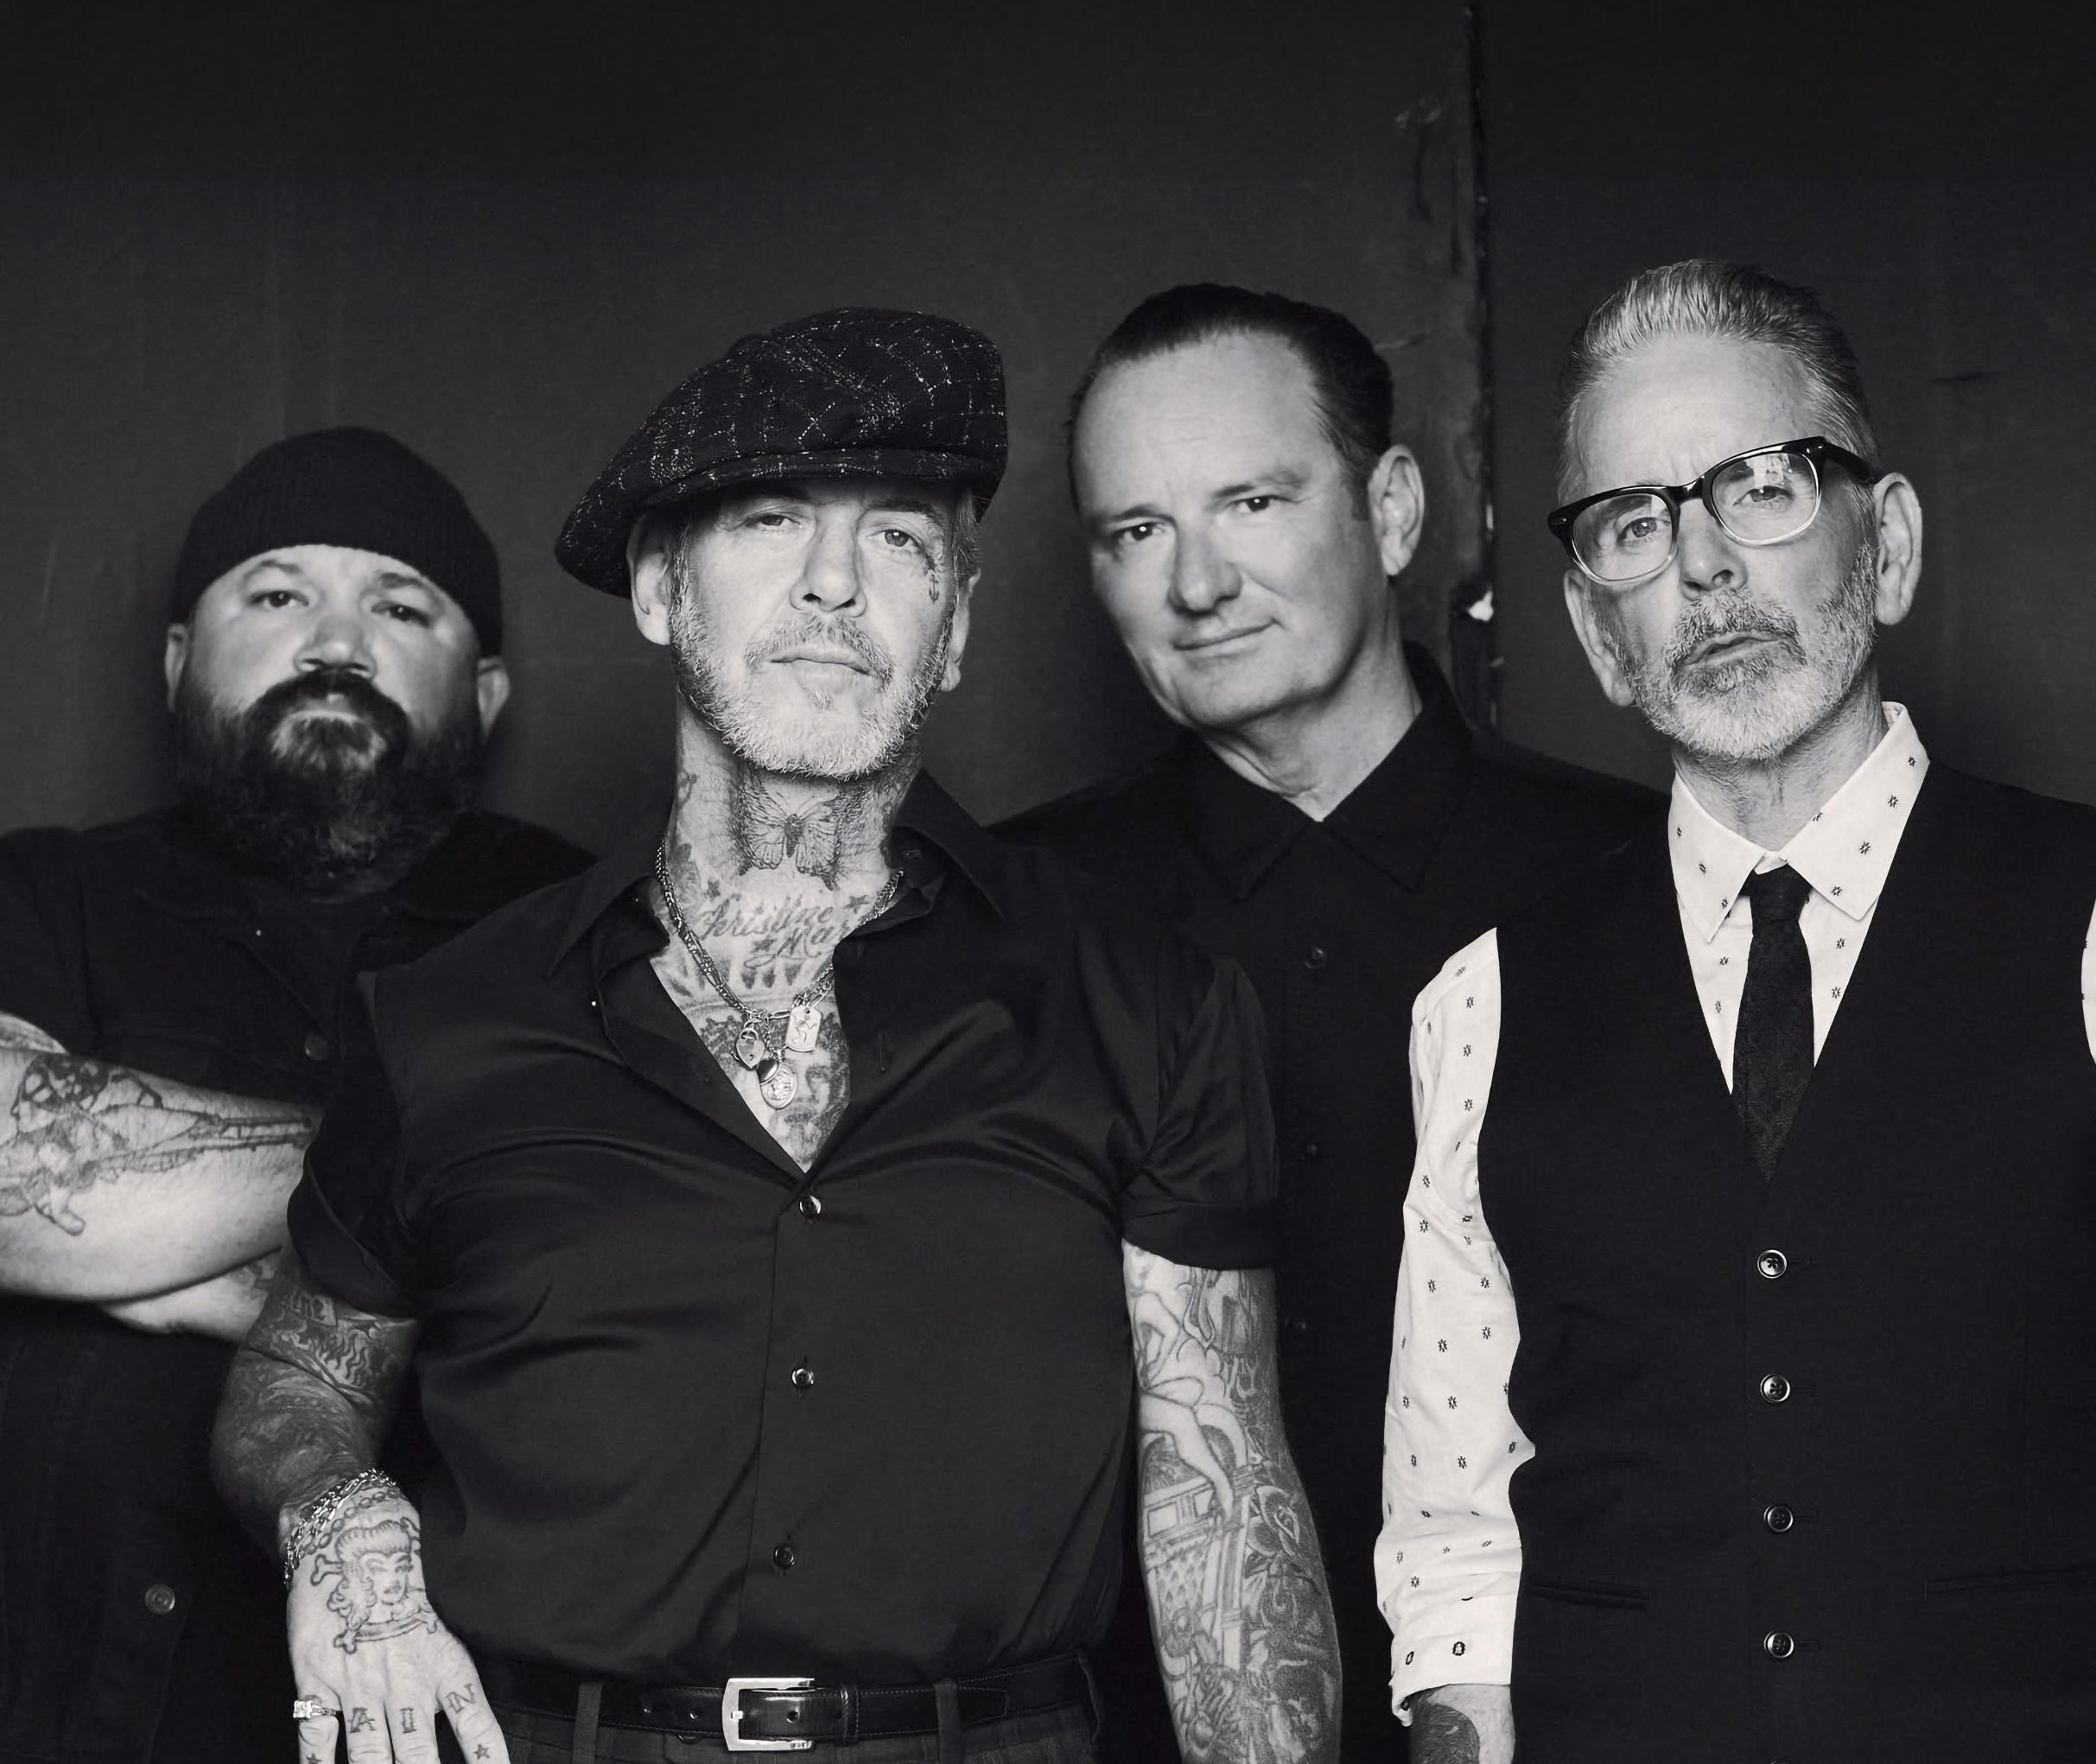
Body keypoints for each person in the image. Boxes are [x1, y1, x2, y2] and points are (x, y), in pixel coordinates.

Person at [211, 308, 1343, 1764]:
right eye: (768, 521)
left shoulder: (1146, 1000)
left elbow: (1222, 1506)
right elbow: (298, 1376)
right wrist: (333, 1509)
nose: (832, 583)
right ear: (658, 588)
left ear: (956, 626)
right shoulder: (453, 1010)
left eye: (897, 539)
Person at [1380, 258, 2096, 1763]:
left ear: (1885, 545)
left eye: (1759, 486)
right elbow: (1455, 1545)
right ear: (1596, 633)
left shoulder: (2083, 925)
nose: (1702, 564)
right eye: (1634, 525)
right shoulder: (1483, 1002)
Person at [1002, 285, 1653, 1761]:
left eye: (1251, 501)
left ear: (1392, 508)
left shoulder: (1634, 880)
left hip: (1563, 1708)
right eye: (1136, 530)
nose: (1197, 581)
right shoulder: (1011, 917)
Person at [0, 426, 588, 1764]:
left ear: (488, 688)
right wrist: (420, 1234)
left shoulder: (587, 926)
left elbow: (665, 1252)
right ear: (175, 660)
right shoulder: (42, 895)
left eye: (401, 606)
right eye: (276, 594)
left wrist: (135, 1240)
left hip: (458, 1720)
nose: (336, 644)